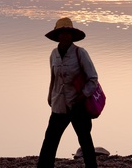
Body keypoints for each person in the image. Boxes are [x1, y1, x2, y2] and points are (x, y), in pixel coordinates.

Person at [37, 17, 99, 168]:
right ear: (57, 36)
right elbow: (53, 79)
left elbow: (93, 79)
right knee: (50, 140)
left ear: (72, 35)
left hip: (78, 105)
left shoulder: (80, 53)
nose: (64, 36)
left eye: (67, 33)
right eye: (61, 33)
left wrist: (82, 96)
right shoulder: (53, 54)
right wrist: (50, 96)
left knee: (85, 140)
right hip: (59, 104)